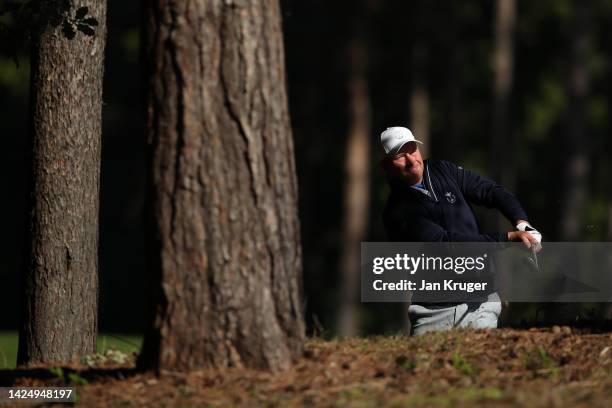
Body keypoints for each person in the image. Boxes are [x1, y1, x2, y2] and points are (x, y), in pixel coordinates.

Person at [380, 126, 542, 335]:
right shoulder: (397, 211)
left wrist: (522, 223)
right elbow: (448, 244)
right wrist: (508, 238)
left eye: (412, 150)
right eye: (401, 156)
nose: (411, 160)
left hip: (481, 301)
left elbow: (489, 190)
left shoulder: (442, 170)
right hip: (433, 312)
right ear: (386, 165)